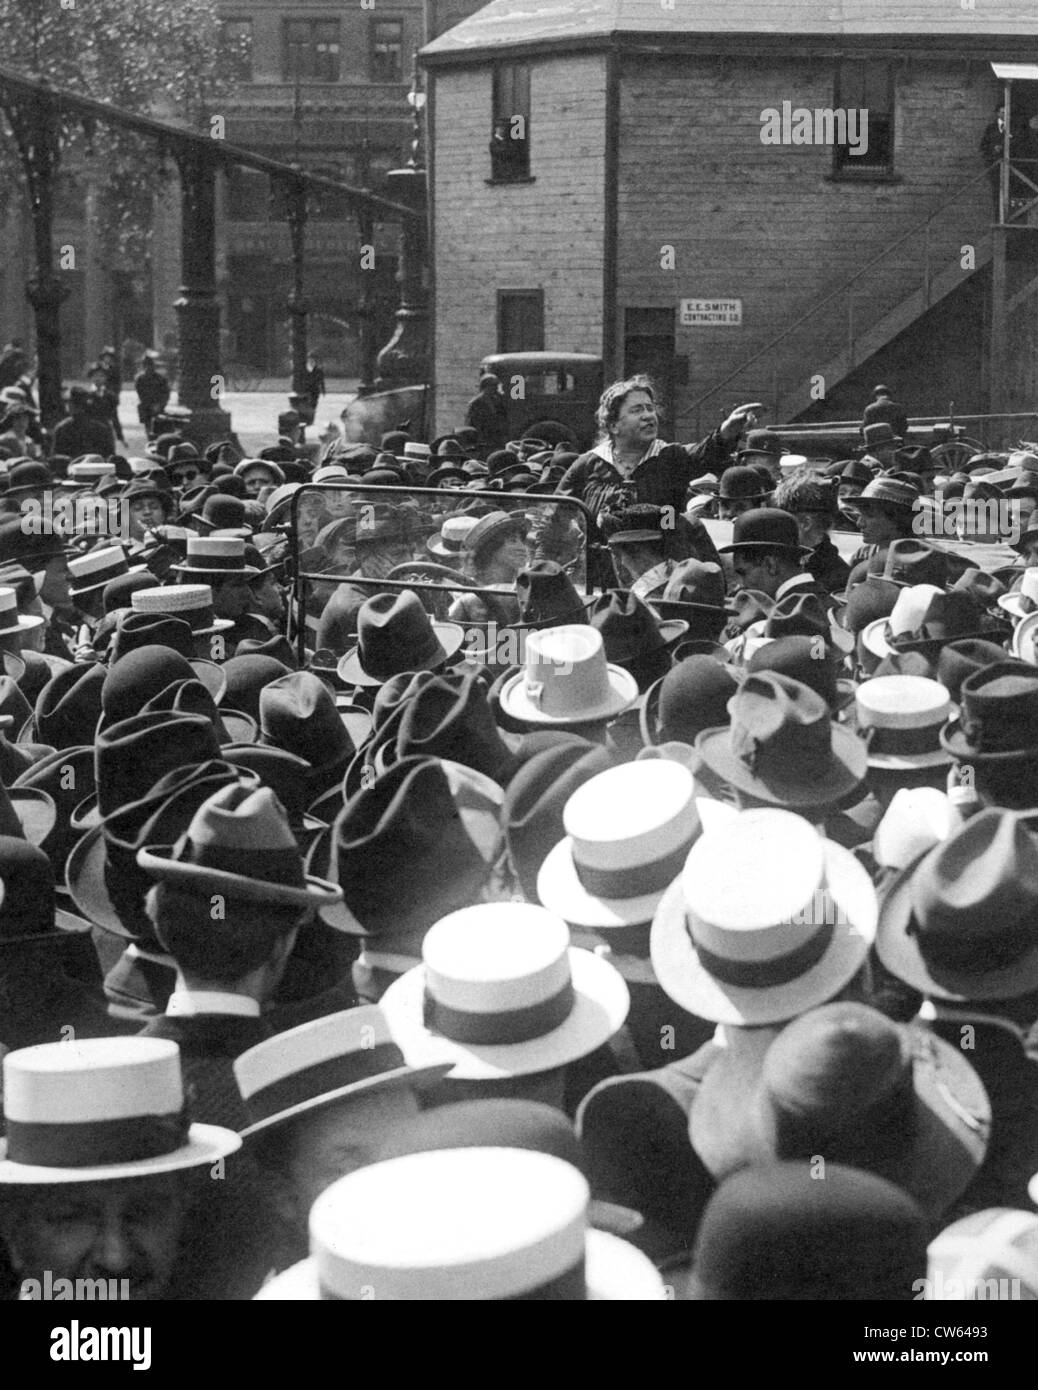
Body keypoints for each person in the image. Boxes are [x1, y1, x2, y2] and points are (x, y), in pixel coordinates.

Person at [555, 375, 761, 528]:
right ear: (613, 425)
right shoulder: (587, 465)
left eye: (649, 408)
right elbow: (555, 517)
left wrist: (728, 431)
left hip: (661, 568)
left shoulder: (671, 457)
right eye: (636, 410)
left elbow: (707, 453)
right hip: (598, 576)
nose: (648, 416)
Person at [52, 386, 116, 460]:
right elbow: (110, 457)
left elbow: (56, 459)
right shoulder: (102, 428)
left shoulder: (62, 428)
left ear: (71, 405)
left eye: (68, 402)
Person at [466, 372, 509, 455]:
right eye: (493, 386)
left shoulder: (498, 402)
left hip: (496, 442)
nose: (496, 389)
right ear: (485, 387)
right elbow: (471, 424)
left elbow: (504, 421)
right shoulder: (476, 404)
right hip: (482, 443)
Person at [134, 351, 171, 437]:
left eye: (150, 365)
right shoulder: (140, 379)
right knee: (148, 425)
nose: (148, 368)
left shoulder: (161, 379)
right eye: (146, 365)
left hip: (158, 405)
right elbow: (140, 393)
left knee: (159, 425)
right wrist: (148, 404)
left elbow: (166, 393)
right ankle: (149, 435)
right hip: (147, 406)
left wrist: (160, 404)